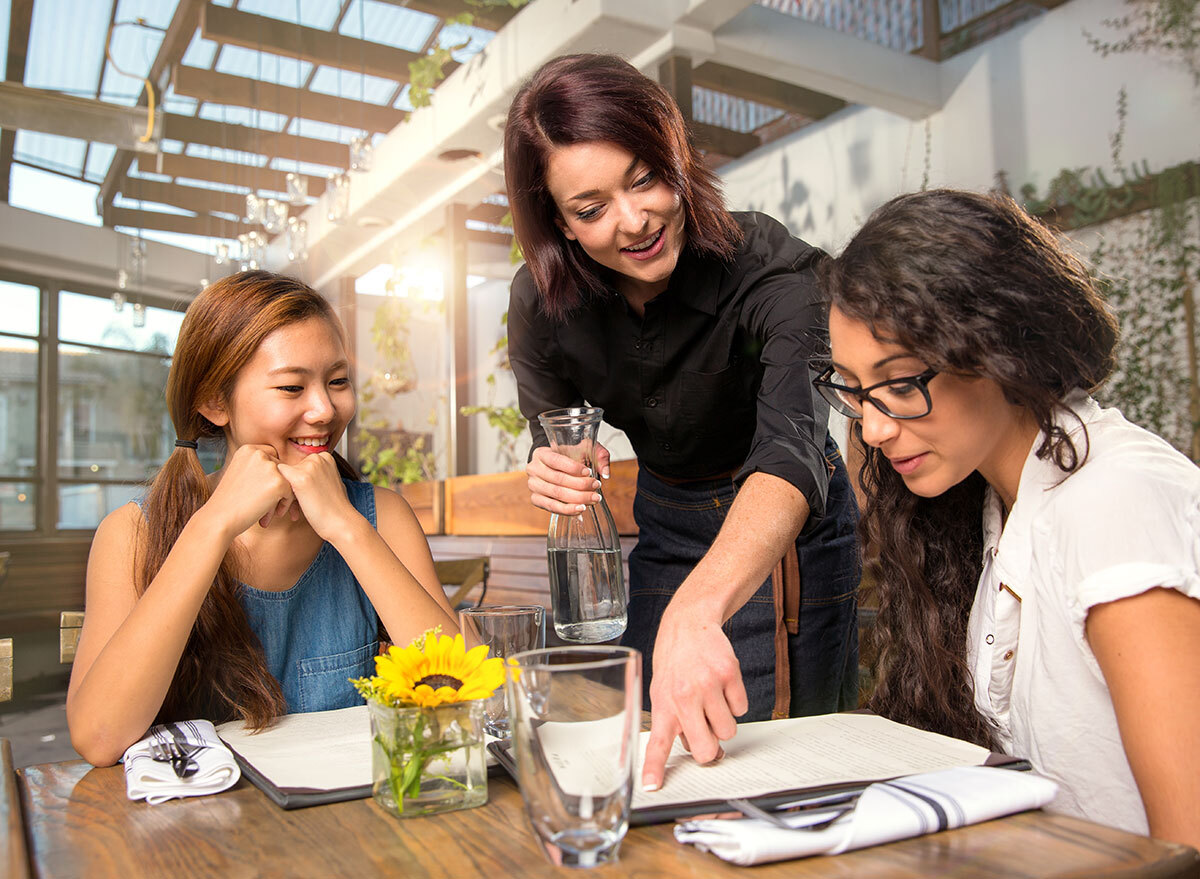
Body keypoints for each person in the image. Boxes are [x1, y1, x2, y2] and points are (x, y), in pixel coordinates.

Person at [503, 53, 861, 791]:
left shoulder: (770, 271)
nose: (634, 222)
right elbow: (552, 427)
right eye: (591, 208)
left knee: (784, 762)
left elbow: (795, 447)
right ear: (558, 222)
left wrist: (698, 611)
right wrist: (556, 461)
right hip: (667, 519)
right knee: (651, 746)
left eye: (644, 179)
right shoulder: (542, 302)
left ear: (676, 157)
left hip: (784, 523)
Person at [818, 188, 1200, 846]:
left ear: (996, 346)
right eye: (853, 390)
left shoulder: (1115, 499)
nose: (873, 427)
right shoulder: (989, 503)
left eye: (902, 383)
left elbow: (1188, 841)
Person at [67, 271, 460, 767]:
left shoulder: (380, 516)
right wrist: (213, 527)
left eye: (337, 382)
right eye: (292, 387)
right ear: (214, 401)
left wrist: (346, 527)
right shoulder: (133, 533)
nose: (324, 409)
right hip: (193, 835)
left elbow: (463, 691)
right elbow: (100, 738)